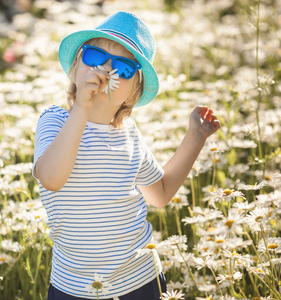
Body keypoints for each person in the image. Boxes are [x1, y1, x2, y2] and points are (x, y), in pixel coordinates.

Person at [32, 11, 221, 300]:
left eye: (122, 67)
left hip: (140, 277)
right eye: (94, 56)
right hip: (74, 285)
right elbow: (51, 178)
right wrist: (82, 108)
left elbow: (159, 193)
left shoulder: (129, 134)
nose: (105, 70)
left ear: (134, 92)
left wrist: (195, 137)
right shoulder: (55, 121)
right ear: (76, 66)